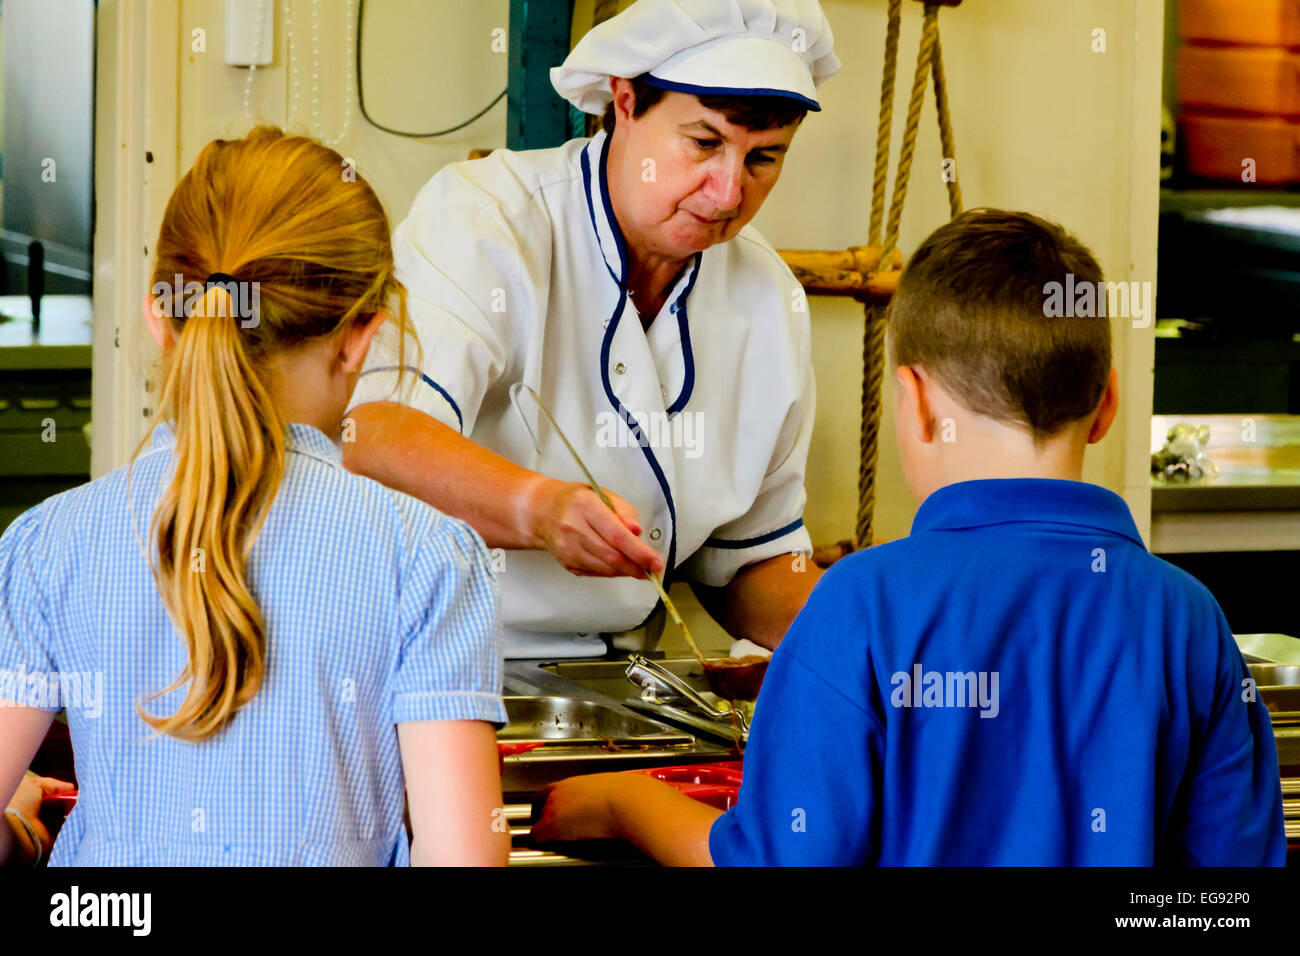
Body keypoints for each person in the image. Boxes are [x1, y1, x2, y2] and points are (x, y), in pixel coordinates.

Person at [532, 209, 1288, 865]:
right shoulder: (1189, 618)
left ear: (914, 402)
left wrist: (622, 804)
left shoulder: (861, 604)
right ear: (1106, 405)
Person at [0, 127, 508, 867]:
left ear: (160, 320)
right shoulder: (429, 556)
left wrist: (18, 831)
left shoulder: (46, 545)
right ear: (361, 336)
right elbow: (464, 860)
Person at [343, 0, 842, 658]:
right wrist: (537, 509)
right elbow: (375, 437)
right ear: (626, 100)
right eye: (704, 143)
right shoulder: (487, 217)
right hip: (441, 658)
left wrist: (868, 639)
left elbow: (748, 561)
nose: (727, 193)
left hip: (621, 684)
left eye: (764, 160)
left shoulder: (768, 299)